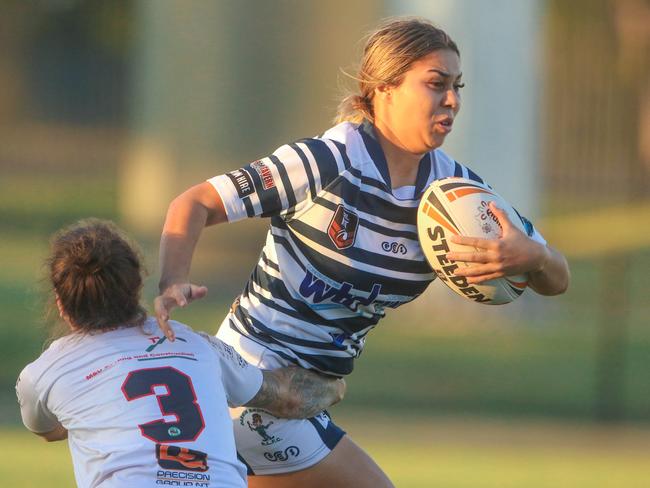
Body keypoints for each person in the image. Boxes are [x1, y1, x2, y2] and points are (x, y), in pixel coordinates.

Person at [155, 17, 570, 488]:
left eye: (457, 86)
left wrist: (534, 258)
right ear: (384, 88)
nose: (452, 100)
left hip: (310, 396)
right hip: (251, 378)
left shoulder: (457, 191)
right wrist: (172, 282)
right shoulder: (325, 162)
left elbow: (556, 278)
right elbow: (193, 203)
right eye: (435, 84)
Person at [16, 219, 345, 488]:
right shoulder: (198, 345)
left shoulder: (43, 374)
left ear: (61, 304)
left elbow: (49, 430)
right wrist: (334, 388)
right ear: (137, 287)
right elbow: (288, 396)